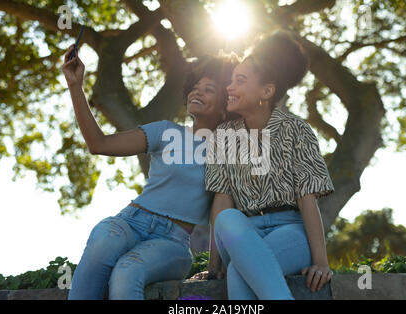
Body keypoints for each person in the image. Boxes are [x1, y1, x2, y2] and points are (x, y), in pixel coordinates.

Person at [61, 44, 239, 299]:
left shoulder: (229, 150)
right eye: (195, 87)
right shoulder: (165, 131)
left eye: (209, 89)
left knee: (127, 271)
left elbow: (221, 211)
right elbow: (98, 144)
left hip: (173, 242)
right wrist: (75, 87)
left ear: (225, 104)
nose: (197, 92)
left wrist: (214, 266)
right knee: (102, 241)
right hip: (130, 221)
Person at [203, 32, 335, 299]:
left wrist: (321, 261)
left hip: (291, 231)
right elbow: (222, 200)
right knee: (228, 218)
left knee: (240, 276)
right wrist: (213, 264)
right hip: (242, 232)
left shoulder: (297, 129)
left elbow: (307, 199)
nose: (229, 87)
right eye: (231, 80)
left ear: (267, 91)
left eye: (240, 80)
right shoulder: (222, 136)